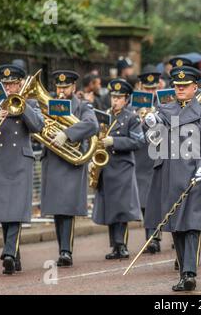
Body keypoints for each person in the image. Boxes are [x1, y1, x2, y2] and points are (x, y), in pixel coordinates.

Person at [144, 66, 201, 291]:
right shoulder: (165, 109)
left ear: (195, 87)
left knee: (192, 225)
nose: (180, 89)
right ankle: (184, 270)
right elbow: (154, 141)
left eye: (185, 86)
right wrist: (150, 124)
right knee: (176, 225)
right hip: (170, 173)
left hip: (195, 172)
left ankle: (189, 273)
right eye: (177, 86)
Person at [0, 64, 44, 274]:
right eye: (6, 84)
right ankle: (14, 256)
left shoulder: (30, 102)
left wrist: (24, 109)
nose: (9, 88)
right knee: (5, 210)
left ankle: (8, 253)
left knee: (16, 209)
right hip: (0, 162)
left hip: (20, 161)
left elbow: (38, 126)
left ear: (20, 83)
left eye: (13, 84)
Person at [40, 70, 99, 267]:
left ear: (74, 87)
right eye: (59, 87)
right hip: (53, 161)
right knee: (58, 210)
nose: (61, 90)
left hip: (70, 163)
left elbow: (92, 125)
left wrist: (66, 134)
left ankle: (66, 251)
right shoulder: (49, 105)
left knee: (67, 209)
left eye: (65, 87)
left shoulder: (82, 107)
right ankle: (62, 248)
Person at [92, 79, 145, 259]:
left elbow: (138, 141)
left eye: (119, 97)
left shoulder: (131, 117)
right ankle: (114, 246)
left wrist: (114, 141)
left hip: (122, 167)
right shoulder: (104, 115)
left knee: (121, 209)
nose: (115, 101)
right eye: (113, 97)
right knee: (110, 207)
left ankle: (122, 245)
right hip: (106, 166)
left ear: (127, 99)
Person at [136, 66, 163, 253]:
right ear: (140, 86)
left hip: (159, 152)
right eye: (147, 89)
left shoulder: (164, 103)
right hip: (141, 156)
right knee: (145, 199)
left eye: (153, 88)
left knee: (158, 197)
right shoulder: (134, 105)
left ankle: (156, 235)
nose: (151, 92)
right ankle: (151, 237)